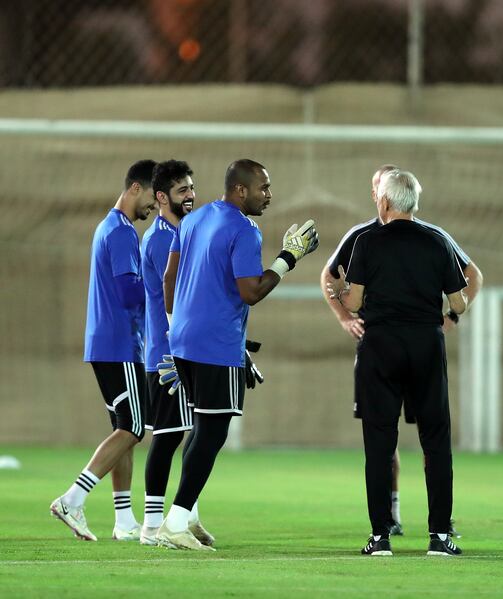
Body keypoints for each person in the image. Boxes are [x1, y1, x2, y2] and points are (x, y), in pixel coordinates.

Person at [155, 159, 318, 551]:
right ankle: (173, 522)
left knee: (200, 427)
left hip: (183, 340)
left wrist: (177, 327)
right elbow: (251, 292)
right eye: (264, 187)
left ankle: (187, 515)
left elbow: (169, 277)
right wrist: (288, 258)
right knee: (212, 432)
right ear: (240, 190)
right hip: (215, 345)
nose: (269, 194)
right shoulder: (245, 228)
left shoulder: (193, 221)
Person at [320, 165, 483, 538]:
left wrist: (341, 301)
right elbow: (458, 302)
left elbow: (351, 295)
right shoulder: (436, 241)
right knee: (436, 440)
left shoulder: (367, 242)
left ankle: (380, 536)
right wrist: (448, 316)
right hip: (425, 344)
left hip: (380, 345)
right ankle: (440, 535)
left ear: (386, 198)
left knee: (379, 441)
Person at [50, 160, 157, 541]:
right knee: (133, 427)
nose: (154, 209)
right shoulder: (123, 232)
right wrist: (160, 281)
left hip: (105, 342)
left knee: (124, 428)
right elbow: (131, 293)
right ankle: (73, 499)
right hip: (121, 343)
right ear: (134, 188)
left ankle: (124, 521)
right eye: (151, 199)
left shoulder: (108, 227)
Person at [138, 159, 214, 546]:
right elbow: (177, 296)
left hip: (184, 348)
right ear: (161, 197)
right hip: (167, 353)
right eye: (183, 189)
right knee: (168, 435)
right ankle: (153, 525)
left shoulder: (182, 232)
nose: (191, 195)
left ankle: (187, 516)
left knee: (194, 432)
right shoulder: (162, 239)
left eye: (192, 188)